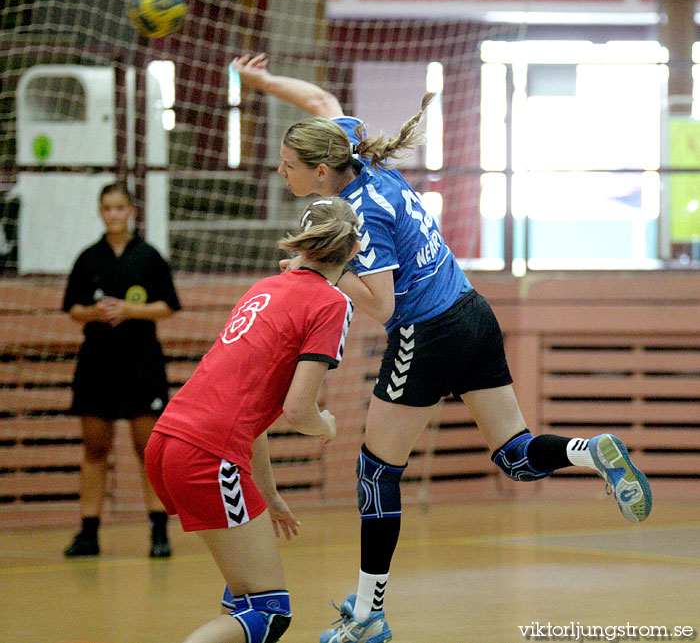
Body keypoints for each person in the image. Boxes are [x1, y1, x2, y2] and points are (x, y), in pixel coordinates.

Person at [231, 52, 653, 643]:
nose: (282, 173)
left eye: (288, 165)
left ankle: (368, 618)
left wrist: (319, 269)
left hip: (424, 334)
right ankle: (592, 450)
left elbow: (377, 303)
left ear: (322, 171)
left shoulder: (359, 213)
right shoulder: (357, 156)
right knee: (515, 455)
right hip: (473, 313)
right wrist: (266, 82)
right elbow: (323, 105)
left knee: (376, 472)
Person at [144, 197, 359, 643]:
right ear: (354, 251)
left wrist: (270, 494)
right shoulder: (331, 303)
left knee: (244, 598)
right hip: (208, 453)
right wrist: (327, 424)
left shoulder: (266, 287)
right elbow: (298, 410)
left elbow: (250, 413)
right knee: (269, 612)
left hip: (169, 439)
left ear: (303, 243)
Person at [62, 182, 181, 558]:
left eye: (119, 207)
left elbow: (168, 306)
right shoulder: (88, 259)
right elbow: (72, 309)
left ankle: (158, 531)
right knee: (94, 449)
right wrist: (94, 313)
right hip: (96, 363)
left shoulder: (148, 257)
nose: (113, 214)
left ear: (131, 210)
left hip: (141, 363)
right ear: (101, 212)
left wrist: (131, 312)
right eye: (107, 208)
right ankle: (88, 532)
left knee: (147, 450)